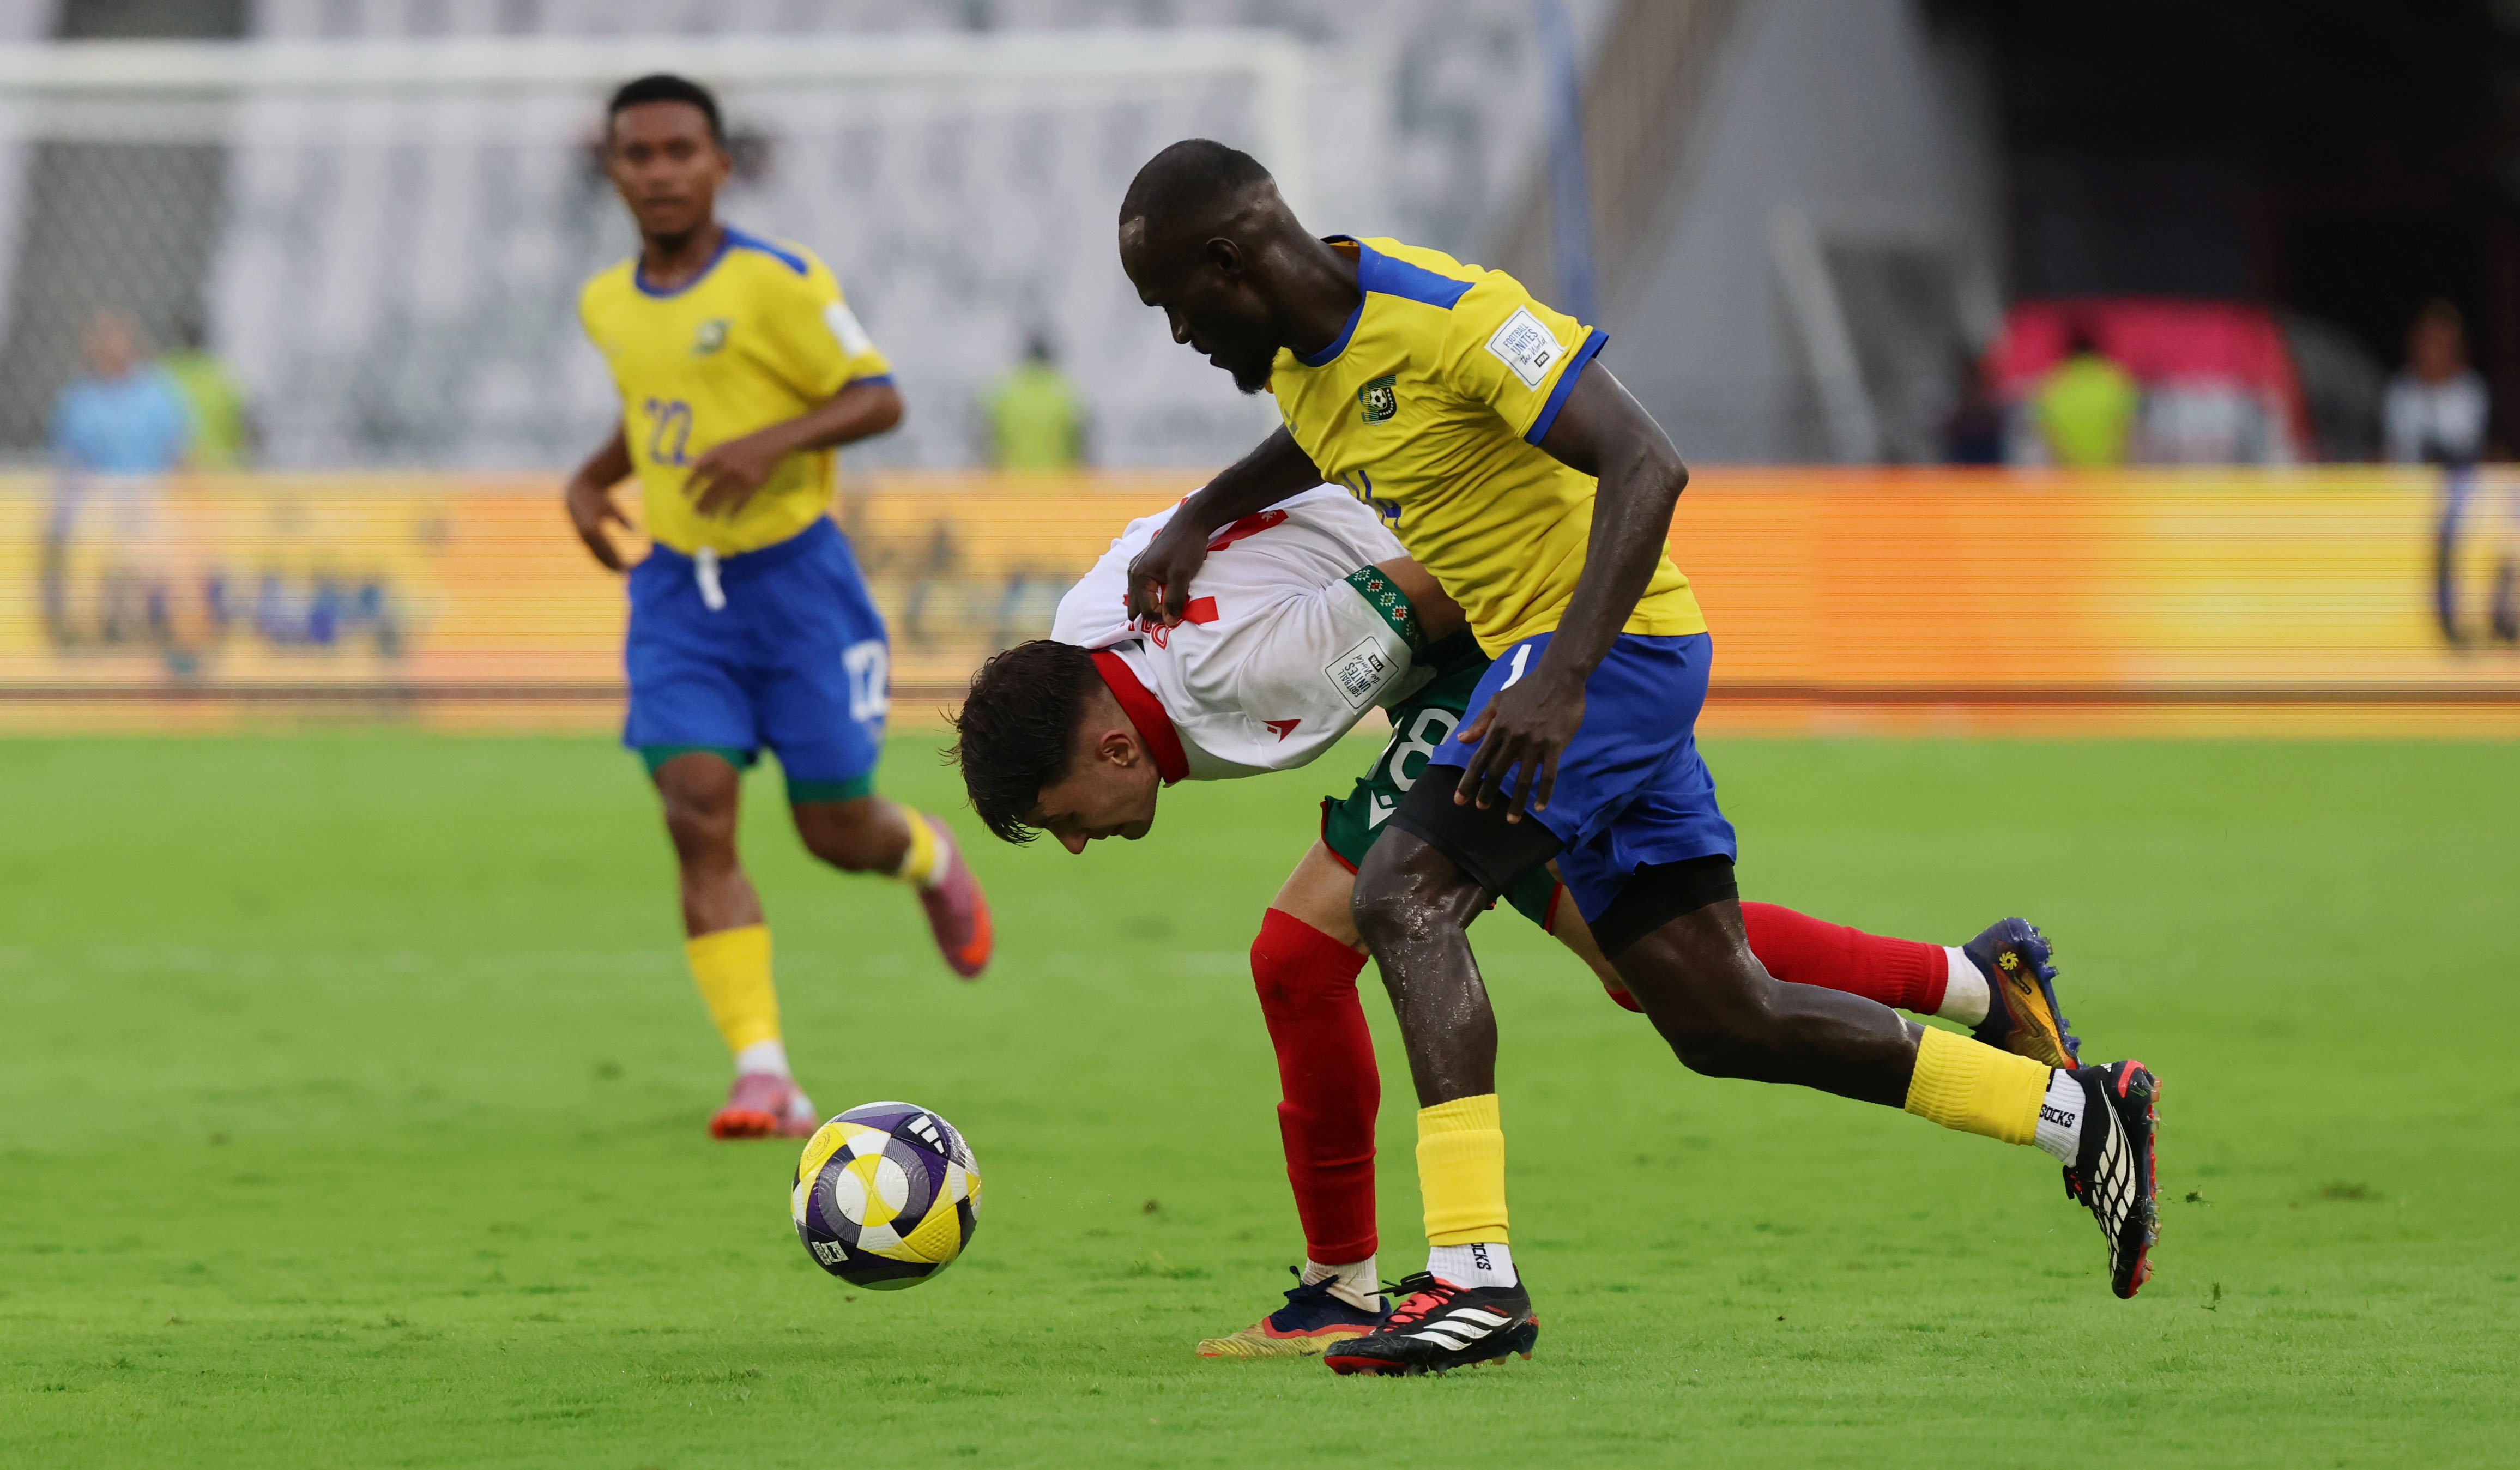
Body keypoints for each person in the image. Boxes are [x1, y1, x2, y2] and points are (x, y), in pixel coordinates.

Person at [1113, 139, 2162, 1375]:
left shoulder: (1453, 317)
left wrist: (1560, 677)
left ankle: (1472, 1280)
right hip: (1565, 672)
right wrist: (1201, 515)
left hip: (1602, 657)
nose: (1177, 335)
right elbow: (1327, 428)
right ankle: (2077, 1114)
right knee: (1721, 1015)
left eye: (1173, 303)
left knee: (1403, 894)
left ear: (1229, 262)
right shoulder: (1302, 357)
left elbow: (1648, 460)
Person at [948, 485, 2080, 1358]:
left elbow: (1450, 580)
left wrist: (1547, 668)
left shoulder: (1246, 674)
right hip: (1431, 660)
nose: (1078, 843)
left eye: (1065, 820)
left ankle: (1345, 1288)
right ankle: (1976, 978)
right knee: (1644, 961)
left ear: (1110, 748)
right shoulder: (1085, 637)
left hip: (1495, 648)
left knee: (1298, 954)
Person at [565, 74, 994, 1141]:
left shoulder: (779, 283)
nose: (660, 171)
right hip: (678, 593)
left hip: (798, 589)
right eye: (638, 154)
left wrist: (769, 445)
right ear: (612, 169)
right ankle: (764, 1071)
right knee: (694, 807)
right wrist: (591, 478)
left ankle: (926, 854)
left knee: (834, 830)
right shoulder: (606, 302)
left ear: (720, 163)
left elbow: (878, 396)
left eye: (680, 151)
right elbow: (655, 408)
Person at [2384, 299, 2506, 644]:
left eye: (2443, 343)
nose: (2434, 351)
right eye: (2428, 342)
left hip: (2460, 494)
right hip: (2409, 496)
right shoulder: (2401, 392)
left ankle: (2494, 616)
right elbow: (2400, 453)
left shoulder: (2470, 389)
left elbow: (2465, 447)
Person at [50, 310, 190, 474]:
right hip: (97, 487)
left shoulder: (157, 390)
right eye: (101, 336)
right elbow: (65, 457)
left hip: (153, 484)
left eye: (115, 334)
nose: (109, 343)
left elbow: (180, 450)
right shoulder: (78, 399)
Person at [2032, 323, 2141, 467]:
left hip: (2069, 475)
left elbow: (2046, 437)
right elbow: (2130, 433)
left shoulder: (2051, 385)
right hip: (2111, 473)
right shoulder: (2117, 381)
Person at [982, 332, 1088, 471]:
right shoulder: (1066, 395)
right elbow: (1080, 445)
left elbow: (989, 441)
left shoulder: (1005, 394)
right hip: (1056, 479)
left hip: (1013, 479)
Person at [160, 318, 254, 469]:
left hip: (185, 468)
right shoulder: (221, 373)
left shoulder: (166, 373)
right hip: (222, 465)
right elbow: (242, 423)